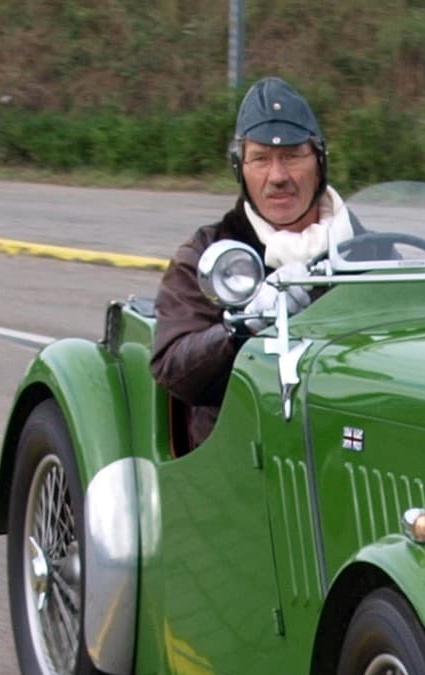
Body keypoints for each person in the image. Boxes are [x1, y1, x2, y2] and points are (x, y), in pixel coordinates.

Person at [151, 76, 352, 449]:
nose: (278, 177)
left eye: (292, 156)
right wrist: (241, 326)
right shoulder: (208, 251)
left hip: (348, 434)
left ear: (319, 161)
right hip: (242, 449)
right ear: (239, 168)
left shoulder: (363, 248)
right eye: (260, 159)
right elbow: (173, 367)